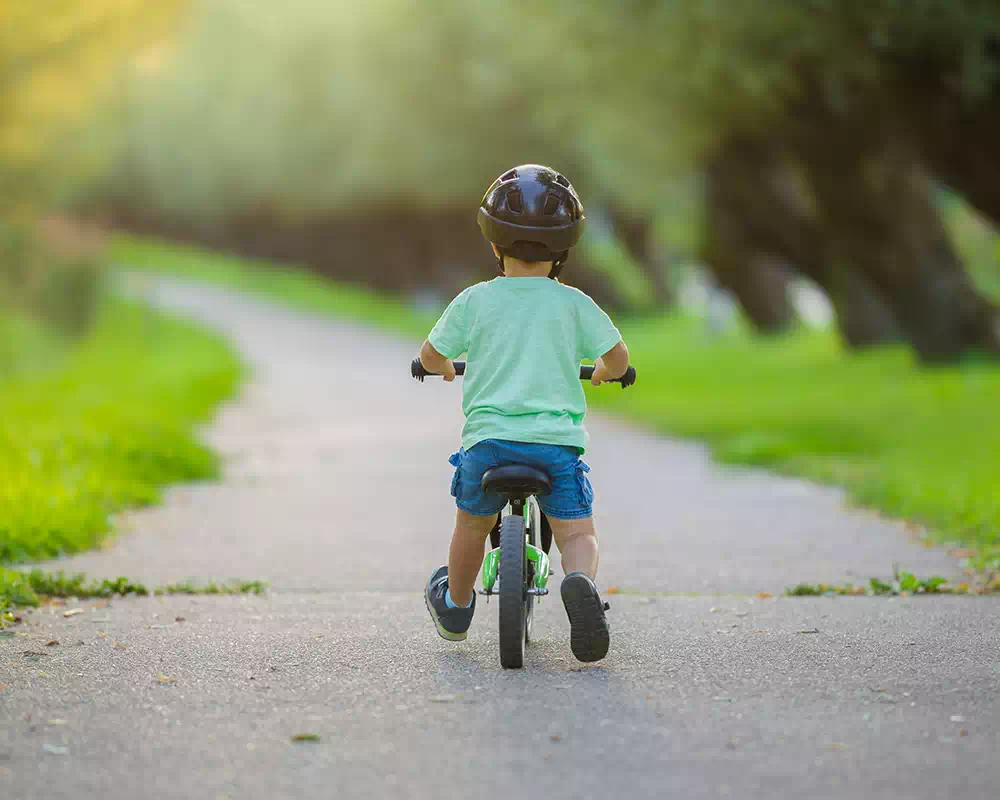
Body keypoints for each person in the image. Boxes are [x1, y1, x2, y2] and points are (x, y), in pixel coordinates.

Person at [420, 164, 630, 663]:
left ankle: (456, 605)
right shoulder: (575, 304)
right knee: (577, 532)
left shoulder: (474, 300)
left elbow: (430, 355)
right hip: (554, 446)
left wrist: (446, 367)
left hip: (488, 443)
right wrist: (603, 371)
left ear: (495, 244)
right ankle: (579, 582)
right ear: (563, 249)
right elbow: (618, 358)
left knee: (471, 526)